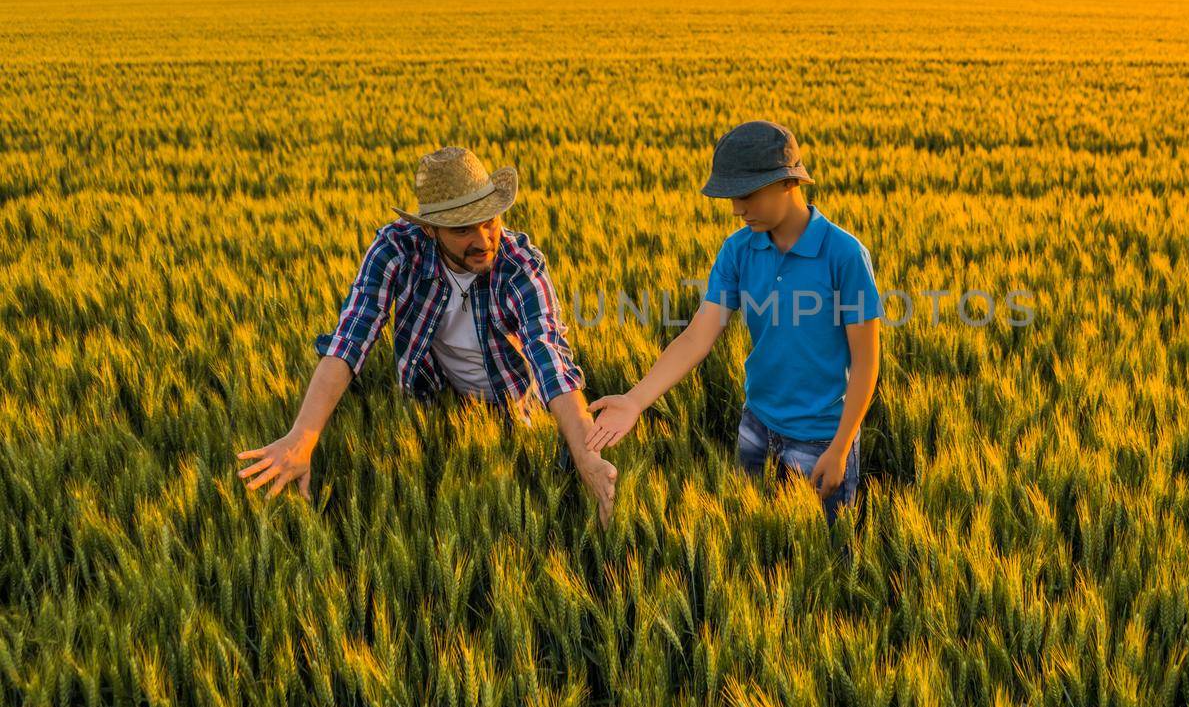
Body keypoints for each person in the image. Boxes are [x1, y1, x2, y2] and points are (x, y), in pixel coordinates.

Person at [235, 146, 617, 525]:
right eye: (463, 228)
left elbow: (550, 360)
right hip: (432, 399)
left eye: (489, 221)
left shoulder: (519, 267)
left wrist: (584, 453)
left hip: (517, 406)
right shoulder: (397, 251)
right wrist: (303, 436)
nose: (483, 240)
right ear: (430, 228)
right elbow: (350, 340)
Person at [586, 120, 881, 524]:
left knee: (827, 555)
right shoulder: (738, 250)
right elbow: (697, 337)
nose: (736, 209)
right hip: (756, 426)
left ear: (787, 183)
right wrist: (635, 400)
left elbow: (866, 361)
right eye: (730, 197)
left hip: (822, 437)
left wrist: (842, 445)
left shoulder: (843, 255)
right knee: (758, 547)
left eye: (746, 195)